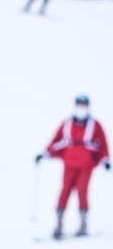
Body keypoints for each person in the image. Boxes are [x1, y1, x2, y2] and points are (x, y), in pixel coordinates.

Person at [35, 95, 110, 239]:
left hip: (86, 164)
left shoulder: (95, 125)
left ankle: (83, 223)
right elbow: (56, 140)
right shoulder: (67, 123)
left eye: (84, 105)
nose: (81, 107)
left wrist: (105, 160)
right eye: (79, 104)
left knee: (82, 191)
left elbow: (103, 144)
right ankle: (59, 223)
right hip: (69, 163)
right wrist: (44, 153)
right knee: (65, 190)